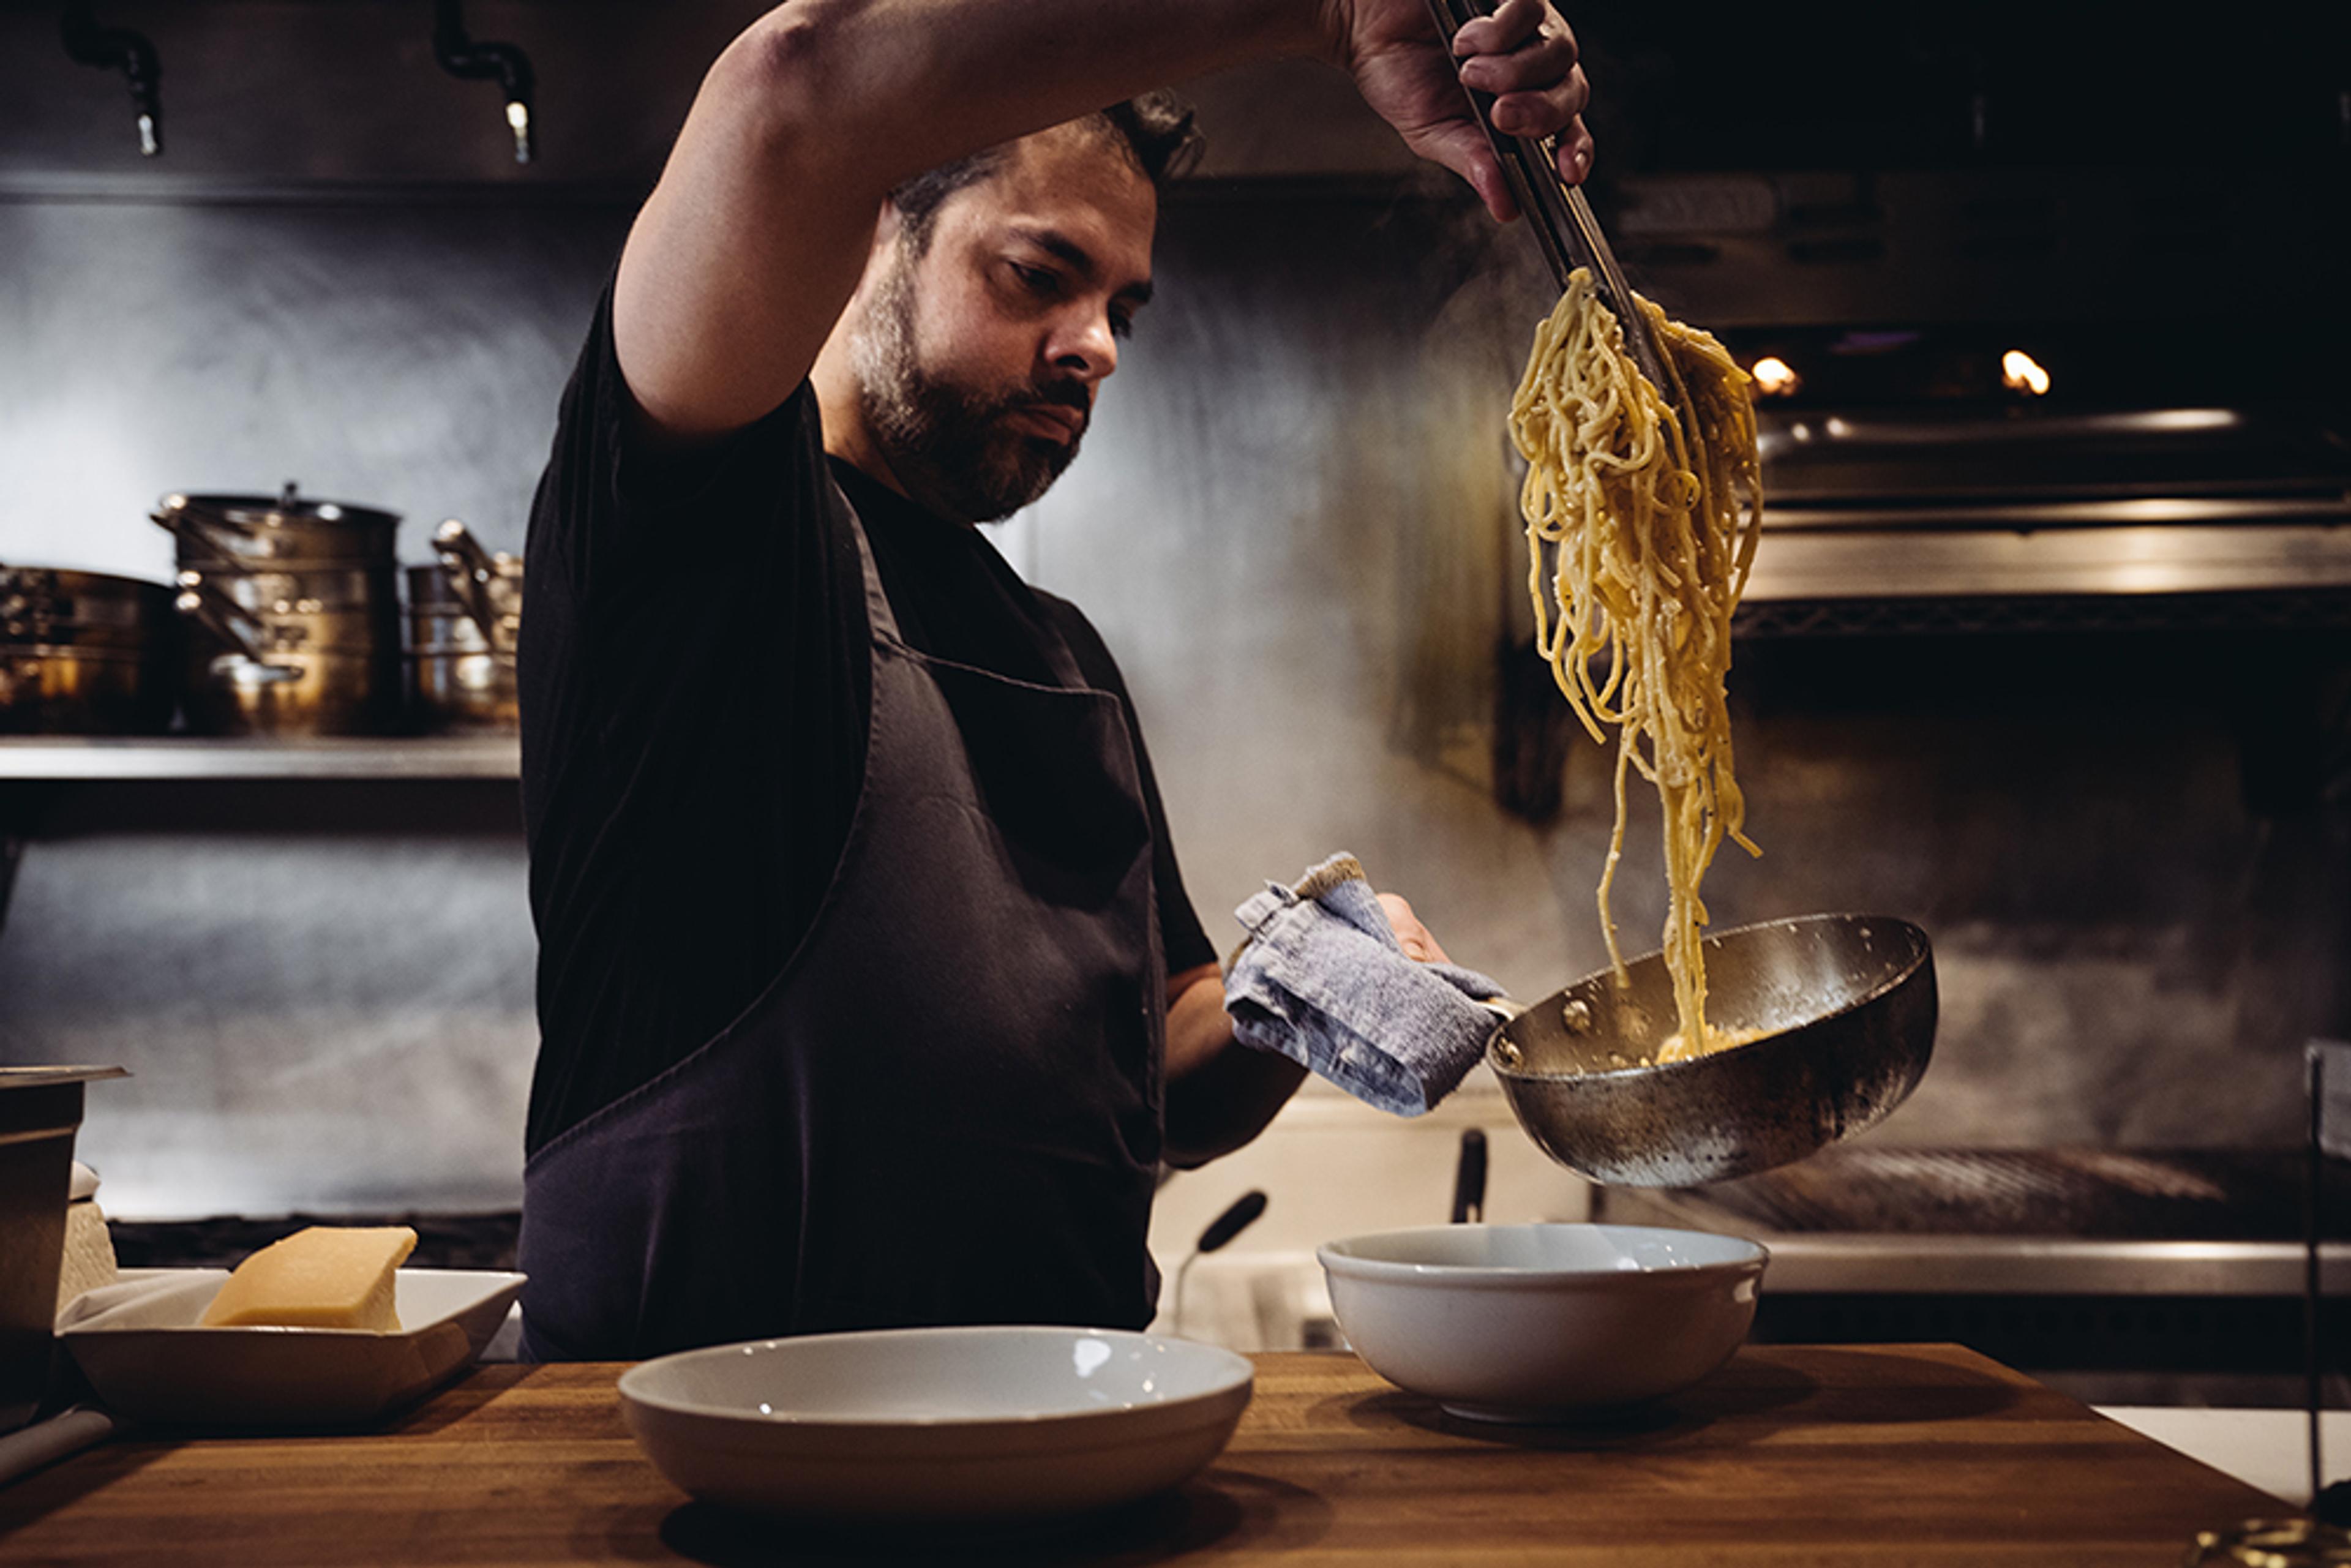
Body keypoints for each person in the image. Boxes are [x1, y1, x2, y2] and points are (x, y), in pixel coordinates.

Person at [514, 0, 1594, 1361]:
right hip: (707, 1463)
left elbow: (1167, 1075)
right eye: (1040, 274)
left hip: (1066, 1439)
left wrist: (1302, 987)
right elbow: (794, 87)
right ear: (868, 239)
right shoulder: (707, 529)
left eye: (1121, 307)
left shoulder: (1059, 652)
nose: (1099, 347)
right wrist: (1328, 12)